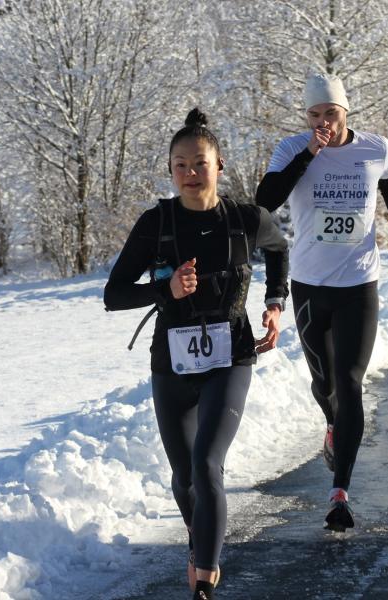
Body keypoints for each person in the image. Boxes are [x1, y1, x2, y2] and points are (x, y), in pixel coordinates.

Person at [104, 108, 289, 600]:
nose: (190, 173)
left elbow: (280, 247)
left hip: (231, 356)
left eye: (200, 163)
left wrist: (275, 304)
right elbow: (114, 294)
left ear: (219, 166)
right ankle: (198, 536)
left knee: (208, 464)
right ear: (170, 171)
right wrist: (167, 288)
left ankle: (204, 576)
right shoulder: (155, 224)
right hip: (172, 362)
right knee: (185, 476)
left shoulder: (246, 219)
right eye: (180, 164)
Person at [255, 73, 388, 532]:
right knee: (325, 384)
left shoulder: (375, 148)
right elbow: (264, 202)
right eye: (315, 115)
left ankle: (340, 492)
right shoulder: (292, 149)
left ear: (346, 112)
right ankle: (333, 424)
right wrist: (310, 154)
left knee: (350, 381)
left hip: (358, 284)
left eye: (331, 113)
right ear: (306, 117)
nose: (323, 122)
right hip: (309, 286)